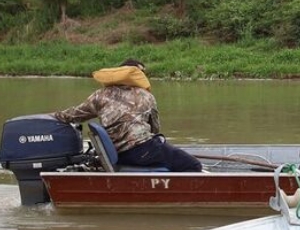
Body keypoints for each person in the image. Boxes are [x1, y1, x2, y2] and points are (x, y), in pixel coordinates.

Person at [51, 59, 202, 172]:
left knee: (165, 154)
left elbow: (73, 115)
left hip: (118, 154)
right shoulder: (146, 96)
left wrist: (52, 116)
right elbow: (155, 129)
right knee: (194, 165)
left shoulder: (100, 95)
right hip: (143, 151)